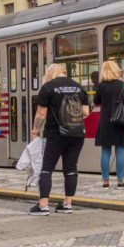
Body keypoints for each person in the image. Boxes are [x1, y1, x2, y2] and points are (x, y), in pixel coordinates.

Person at [29, 63, 90, 215]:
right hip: (77, 133)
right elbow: (86, 112)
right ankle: (67, 204)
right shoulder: (79, 87)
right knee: (70, 168)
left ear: (50, 73)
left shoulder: (48, 87)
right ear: (65, 72)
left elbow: (41, 114)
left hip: (56, 133)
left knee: (47, 168)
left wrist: (35, 130)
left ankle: (43, 206)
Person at [94, 60, 124, 189]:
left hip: (105, 122)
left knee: (105, 151)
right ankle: (120, 181)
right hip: (120, 122)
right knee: (119, 150)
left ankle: (105, 181)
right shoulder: (123, 85)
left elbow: (96, 102)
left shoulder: (101, 86)